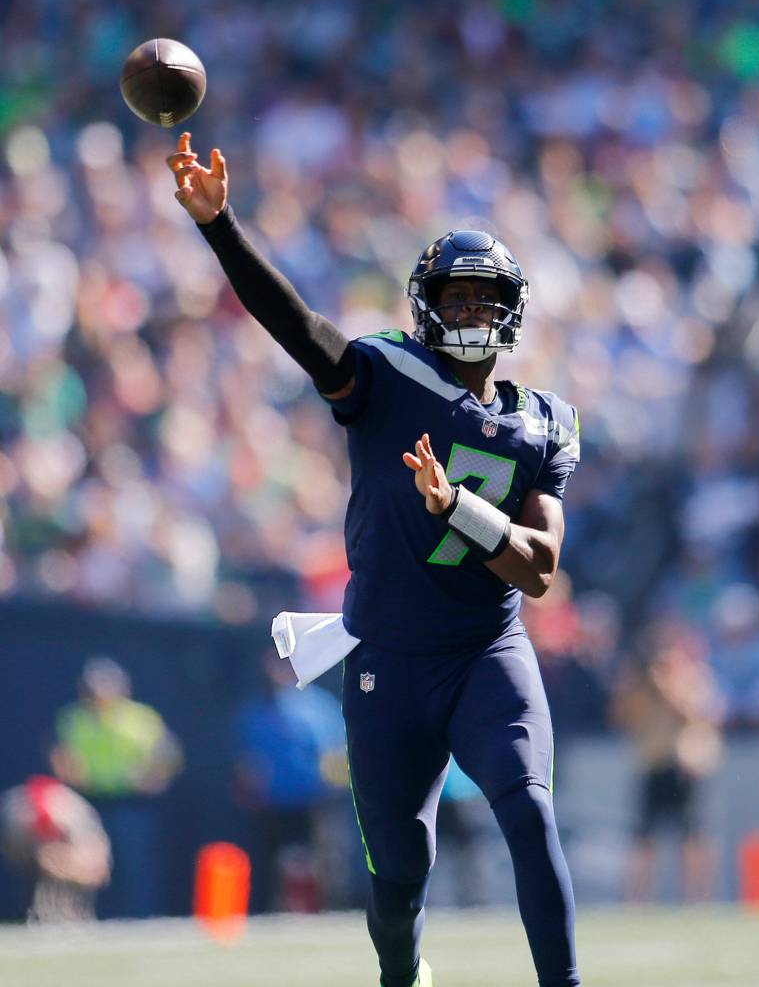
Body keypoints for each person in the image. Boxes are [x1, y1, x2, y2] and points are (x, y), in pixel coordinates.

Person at [167, 131, 581, 987]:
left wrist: (457, 508)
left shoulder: (544, 421)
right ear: (426, 306)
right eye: (453, 298)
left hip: (483, 650)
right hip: (387, 661)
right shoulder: (387, 375)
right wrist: (220, 227)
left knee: (529, 811)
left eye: (482, 299)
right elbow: (297, 326)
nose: (468, 313)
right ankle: (402, 976)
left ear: (509, 309)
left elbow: (538, 569)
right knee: (398, 876)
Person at [49, 657, 183, 918]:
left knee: (134, 864)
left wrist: (154, 777)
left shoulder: (140, 717)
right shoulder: (74, 718)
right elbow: (59, 751)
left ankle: (140, 916)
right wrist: (67, 768)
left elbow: (170, 753)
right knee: (87, 864)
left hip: (130, 802)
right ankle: (89, 917)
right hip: (90, 802)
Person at [611, 618, 724, 903]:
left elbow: (701, 715)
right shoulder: (640, 685)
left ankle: (697, 899)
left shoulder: (694, 677)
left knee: (692, 837)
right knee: (643, 839)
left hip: (685, 766)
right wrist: (634, 687)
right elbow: (620, 718)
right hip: (652, 765)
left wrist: (669, 687)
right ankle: (637, 900)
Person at [234, 650, 347, 913]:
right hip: (273, 801)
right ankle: (274, 911)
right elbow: (248, 758)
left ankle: (324, 910)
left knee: (320, 860)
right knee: (273, 861)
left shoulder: (318, 706)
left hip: (314, 799)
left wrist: (332, 786)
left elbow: (337, 751)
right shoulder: (257, 710)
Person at [0, 775, 111, 923]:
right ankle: (31, 915)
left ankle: (78, 914)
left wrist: (69, 867)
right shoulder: (15, 820)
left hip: (70, 848)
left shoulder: (75, 817)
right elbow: (26, 855)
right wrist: (47, 859)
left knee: (79, 873)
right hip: (24, 844)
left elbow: (99, 871)